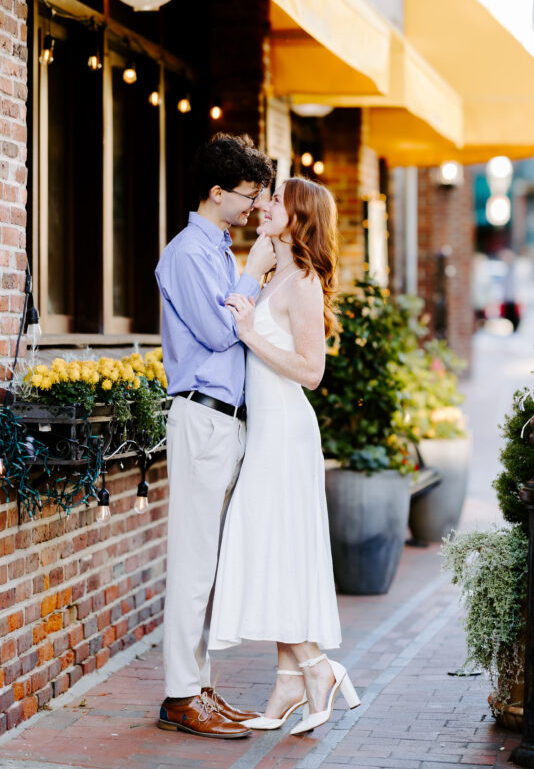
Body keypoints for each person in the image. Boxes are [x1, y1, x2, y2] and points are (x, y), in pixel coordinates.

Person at [208, 177, 361, 736]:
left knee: (271, 543)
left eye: (275, 202)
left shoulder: (304, 286)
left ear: (298, 216)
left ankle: (317, 669)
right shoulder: (280, 275)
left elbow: (312, 373)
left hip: (287, 432)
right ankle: (289, 682)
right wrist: (255, 266)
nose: (264, 207)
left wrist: (249, 334)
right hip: (269, 430)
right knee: (276, 549)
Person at [155, 133, 275, 740]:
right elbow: (218, 332)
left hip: (222, 420)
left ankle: (197, 684)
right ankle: (180, 694)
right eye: (248, 195)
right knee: (195, 561)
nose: (253, 205)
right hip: (201, 415)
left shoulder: (219, 250)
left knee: (210, 563)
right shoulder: (187, 253)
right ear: (216, 192)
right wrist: (252, 277)